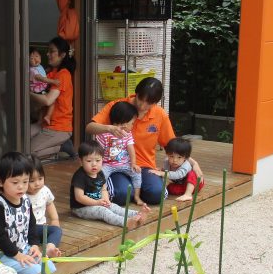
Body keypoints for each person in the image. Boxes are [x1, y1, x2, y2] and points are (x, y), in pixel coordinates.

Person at [86, 77, 202, 205]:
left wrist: (193, 163)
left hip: (145, 167)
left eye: (149, 103)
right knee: (121, 195)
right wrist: (109, 128)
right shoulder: (117, 106)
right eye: (140, 99)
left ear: (156, 102)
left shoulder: (160, 115)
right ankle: (129, 187)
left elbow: (174, 146)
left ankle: (135, 187)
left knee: (157, 194)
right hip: (115, 164)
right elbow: (89, 127)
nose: (142, 106)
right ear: (136, 93)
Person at [0, 152, 68, 274]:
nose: (21, 187)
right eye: (15, 182)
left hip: (23, 248)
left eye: (25, 182)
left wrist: (34, 245)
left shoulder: (25, 200)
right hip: (3, 254)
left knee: (48, 266)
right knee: (34, 271)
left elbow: (31, 226)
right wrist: (17, 255)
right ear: (1, 182)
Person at [70, 141, 148, 229]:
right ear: (81, 161)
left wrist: (106, 200)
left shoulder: (100, 173)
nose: (94, 164)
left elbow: (103, 189)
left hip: (97, 203)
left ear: (102, 160)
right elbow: (79, 197)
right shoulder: (80, 176)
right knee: (103, 211)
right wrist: (96, 202)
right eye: (89, 161)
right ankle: (126, 222)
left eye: (98, 160)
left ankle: (138, 215)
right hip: (81, 208)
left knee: (113, 206)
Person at [30, 37, 75, 158]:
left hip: (59, 128)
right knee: (18, 142)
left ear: (63, 55)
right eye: (48, 51)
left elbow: (48, 100)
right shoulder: (51, 72)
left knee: (27, 153)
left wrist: (26, 92)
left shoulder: (63, 74)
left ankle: (62, 147)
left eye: (52, 51)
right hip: (44, 123)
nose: (47, 54)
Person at [95, 101, 144, 206]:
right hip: (107, 165)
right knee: (100, 176)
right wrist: (99, 165)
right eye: (132, 123)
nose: (132, 126)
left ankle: (136, 196)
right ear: (124, 123)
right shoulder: (104, 134)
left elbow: (131, 149)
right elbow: (99, 151)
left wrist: (133, 163)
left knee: (137, 173)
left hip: (124, 164)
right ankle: (101, 196)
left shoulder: (128, 134)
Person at [27, 155, 63, 258]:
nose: (37, 183)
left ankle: (50, 248)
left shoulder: (44, 190)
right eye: (32, 181)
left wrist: (55, 220)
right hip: (28, 230)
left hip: (41, 228)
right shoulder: (22, 196)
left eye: (40, 178)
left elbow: (49, 203)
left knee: (57, 230)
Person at [150, 137, 205, 202]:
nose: (175, 160)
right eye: (171, 156)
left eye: (179, 157)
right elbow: (165, 171)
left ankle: (188, 194)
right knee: (170, 188)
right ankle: (185, 192)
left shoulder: (186, 165)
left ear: (185, 157)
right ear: (167, 154)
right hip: (181, 184)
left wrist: (162, 173)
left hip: (195, 184)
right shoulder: (166, 162)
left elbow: (178, 175)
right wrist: (160, 170)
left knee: (192, 174)